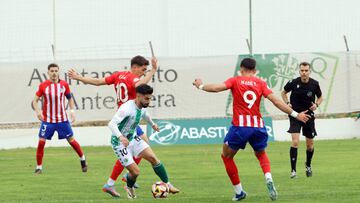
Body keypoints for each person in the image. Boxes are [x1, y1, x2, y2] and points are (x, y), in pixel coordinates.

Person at [192, 58, 310, 201]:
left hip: (240, 127)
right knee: (260, 154)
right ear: (254, 71)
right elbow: (277, 101)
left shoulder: (235, 80)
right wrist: (296, 115)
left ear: (241, 69)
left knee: (226, 156)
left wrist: (200, 86)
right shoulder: (260, 83)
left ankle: (239, 192)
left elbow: (217, 88)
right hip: (258, 126)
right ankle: (268, 177)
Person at [68, 55, 157, 197]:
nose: (143, 73)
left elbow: (97, 82)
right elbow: (140, 86)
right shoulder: (132, 78)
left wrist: (79, 77)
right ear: (134, 67)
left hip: (125, 118)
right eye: (143, 70)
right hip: (127, 119)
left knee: (137, 147)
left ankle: (123, 177)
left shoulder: (119, 75)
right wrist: (153, 70)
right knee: (138, 146)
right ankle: (116, 181)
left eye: (146, 71)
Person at [108, 84, 179, 199]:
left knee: (154, 159)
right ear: (138, 96)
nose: (148, 101)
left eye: (150, 98)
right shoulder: (126, 108)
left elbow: (146, 115)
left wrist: (153, 124)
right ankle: (129, 187)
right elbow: (111, 124)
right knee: (135, 172)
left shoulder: (142, 107)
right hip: (120, 143)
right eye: (146, 98)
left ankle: (168, 185)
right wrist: (121, 137)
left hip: (133, 138)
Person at [32, 63, 87, 174]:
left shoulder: (64, 85)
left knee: (71, 141)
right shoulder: (43, 85)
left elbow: (70, 98)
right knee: (41, 142)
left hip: (62, 120)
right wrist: (38, 112)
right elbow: (35, 101)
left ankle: (83, 159)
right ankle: (39, 167)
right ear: (48, 72)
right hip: (48, 121)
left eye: (56, 71)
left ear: (58, 72)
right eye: (51, 71)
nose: (54, 73)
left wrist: (72, 111)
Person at [281, 62, 323, 179]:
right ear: (299, 71)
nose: (304, 72)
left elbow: (320, 97)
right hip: (295, 115)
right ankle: (293, 171)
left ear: (310, 71)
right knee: (295, 142)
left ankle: (308, 165)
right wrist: (287, 103)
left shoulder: (315, 84)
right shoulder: (294, 82)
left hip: (308, 116)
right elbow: (283, 93)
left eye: (306, 70)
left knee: (310, 146)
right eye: (302, 70)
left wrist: (316, 104)